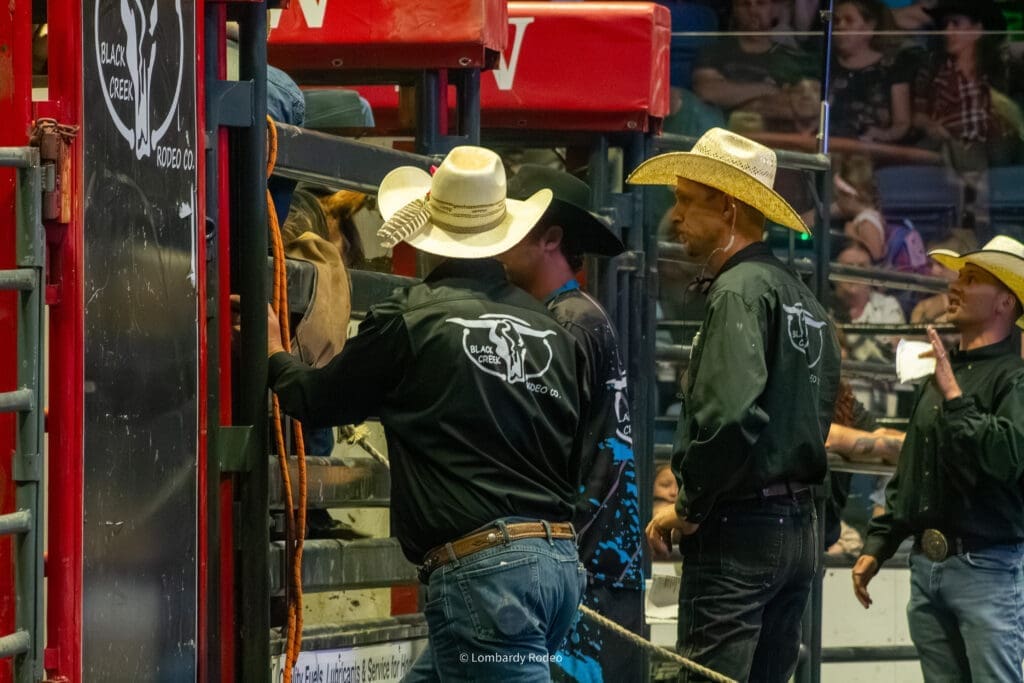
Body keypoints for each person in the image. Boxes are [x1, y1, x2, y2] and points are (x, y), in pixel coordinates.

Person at [264, 146, 589, 680]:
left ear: (424, 231)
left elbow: (316, 400)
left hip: (486, 574)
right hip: (554, 564)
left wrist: (276, 353)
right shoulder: (553, 331)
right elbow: (576, 450)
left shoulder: (408, 320)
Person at [635, 128, 842, 682]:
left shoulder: (737, 291)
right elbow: (818, 410)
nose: (676, 216)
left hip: (741, 526)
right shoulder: (806, 302)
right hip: (798, 525)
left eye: (686, 200)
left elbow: (730, 415)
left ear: (727, 207)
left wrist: (691, 505)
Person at [853, 235, 1024, 682]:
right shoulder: (949, 373)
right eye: (959, 276)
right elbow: (915, 467)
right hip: (935, 565)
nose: (955, 285)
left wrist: (954, 398)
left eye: (972, 278)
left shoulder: (1014, 379)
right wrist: (879, 544)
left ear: (1005, 302)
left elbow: (1007, 458)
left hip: (986, 565)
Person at [498, 165, 642, 683]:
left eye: (512, 227)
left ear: (551, 238)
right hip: (597, 558)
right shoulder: (578, 317)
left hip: (581, 561)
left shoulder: (566, 325)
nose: (499, 243)